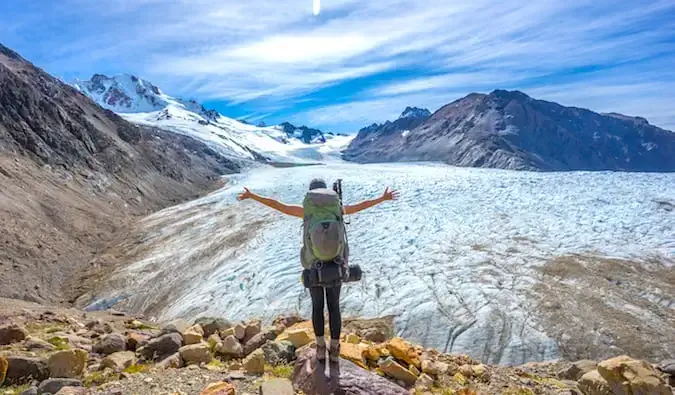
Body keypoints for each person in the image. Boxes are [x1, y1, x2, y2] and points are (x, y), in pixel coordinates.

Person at [238, 178, 399, 362]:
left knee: (317, 306)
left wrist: (252, 195)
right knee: (334, 307)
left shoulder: (307, 211)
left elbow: (276, 204)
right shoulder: (337, 208)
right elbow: (360, 206)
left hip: (313, 267)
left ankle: (321, 348)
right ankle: (335, 349)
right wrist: (382, 198)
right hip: (336, 265)